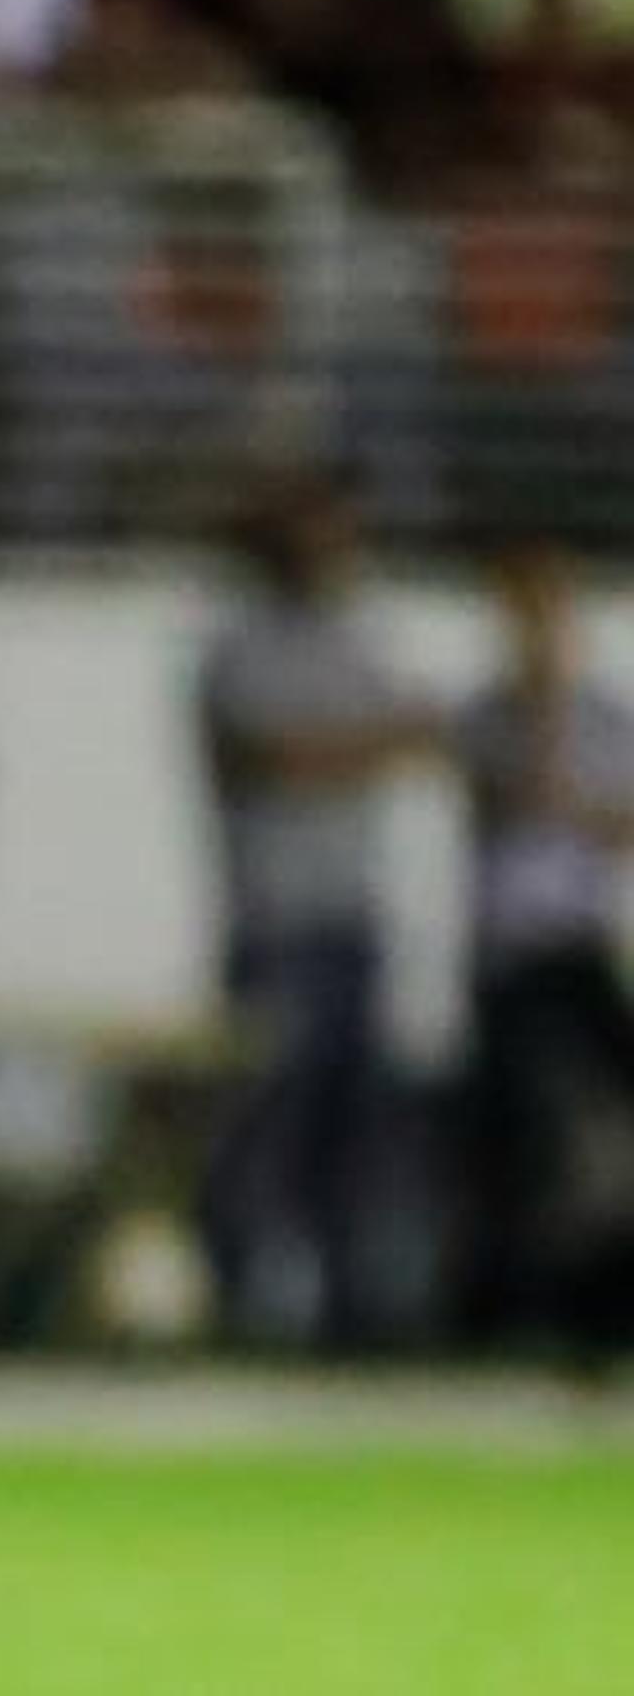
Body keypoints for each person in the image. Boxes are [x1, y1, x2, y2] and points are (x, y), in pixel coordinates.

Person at [194, 472, 441, 1350]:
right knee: (265, 1135)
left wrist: (342, 748)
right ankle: (245, 1310)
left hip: (351, 924)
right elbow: (272, 755)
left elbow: (422, 732)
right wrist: (363, 745)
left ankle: (349, 1322)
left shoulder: (359, 637)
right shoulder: (241, 645)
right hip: (275, 927)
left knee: (353, 1137)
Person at [447, 538, 634, 1349]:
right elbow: (518, 801)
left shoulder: (610, 719)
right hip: (512, 956)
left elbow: (610, 822)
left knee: (601, 1132)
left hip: (581, 947)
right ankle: (519, 1310)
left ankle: (598, 1300)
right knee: (520, 1134)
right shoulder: (489, 717)